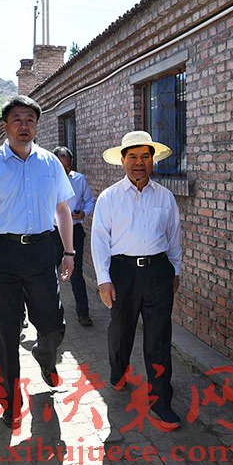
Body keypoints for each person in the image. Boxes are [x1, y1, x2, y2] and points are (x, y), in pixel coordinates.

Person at [0, 95, 75, 429]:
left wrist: (69, 252)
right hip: (3, 256)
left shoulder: (50, 163)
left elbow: (62, 210)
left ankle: (45, 355)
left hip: (42, 251)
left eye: (30, 119)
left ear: (37, 125)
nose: (24, 125)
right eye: (17, 119)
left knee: (53, 324)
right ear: (6, 125)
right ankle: (10, 404)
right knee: (7, 332)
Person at [91, 130, 182, 428]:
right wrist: (103, 279)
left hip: (158, 272)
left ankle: (161, 401)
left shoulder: (165, 197)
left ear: (153, 161)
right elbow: (99, 240)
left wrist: (175, 270)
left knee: (158, 339)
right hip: (122, 273)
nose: (139, 162)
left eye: (145, 156)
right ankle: (118, 372)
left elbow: (174, 237)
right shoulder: (109, 198)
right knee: (121, 331)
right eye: (133, 157)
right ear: (123, 160)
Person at [51, 146, 95, 326]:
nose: (65, 170)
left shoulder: (79, 180)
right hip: (52, 233)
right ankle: (51, 314)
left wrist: (84, 212)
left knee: (76, 273)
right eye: (61, 166)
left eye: (68, 166)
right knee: (49, 272)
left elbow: (90, 200)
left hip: (74, 231)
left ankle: (83, 313)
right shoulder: (45, 181)